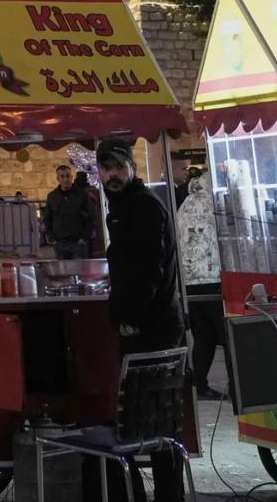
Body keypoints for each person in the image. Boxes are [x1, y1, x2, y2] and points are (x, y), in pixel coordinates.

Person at [95, 138, 184, 502]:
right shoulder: (122, 206)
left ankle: (165, 495)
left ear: (132, 167)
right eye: (106, 168)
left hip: (154, 329)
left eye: (118, 167)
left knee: (153, 420)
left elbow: (148, 269)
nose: (112, 175)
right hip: (149, 325)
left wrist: (130, 317)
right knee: (143, 419)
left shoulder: (143, 208)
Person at [176, 174, 228, 399]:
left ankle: (201, 385)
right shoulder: (216, 203)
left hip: (189, 280)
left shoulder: (186, 203)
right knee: (228, 336)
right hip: (213, 277)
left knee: (203, 335)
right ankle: (238, 388)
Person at [44, 163, 101, 259]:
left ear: (71, 177)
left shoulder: (82, 195)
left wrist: (84, 237)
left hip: (78, 241)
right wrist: (52, 238)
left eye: (67, 176)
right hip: (60, 242)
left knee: (80, 271)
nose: (65, 179)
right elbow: (47, 219)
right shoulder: (52, 197)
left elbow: (92, 216)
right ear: (58, 179)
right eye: (62, 176)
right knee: (63, 272)